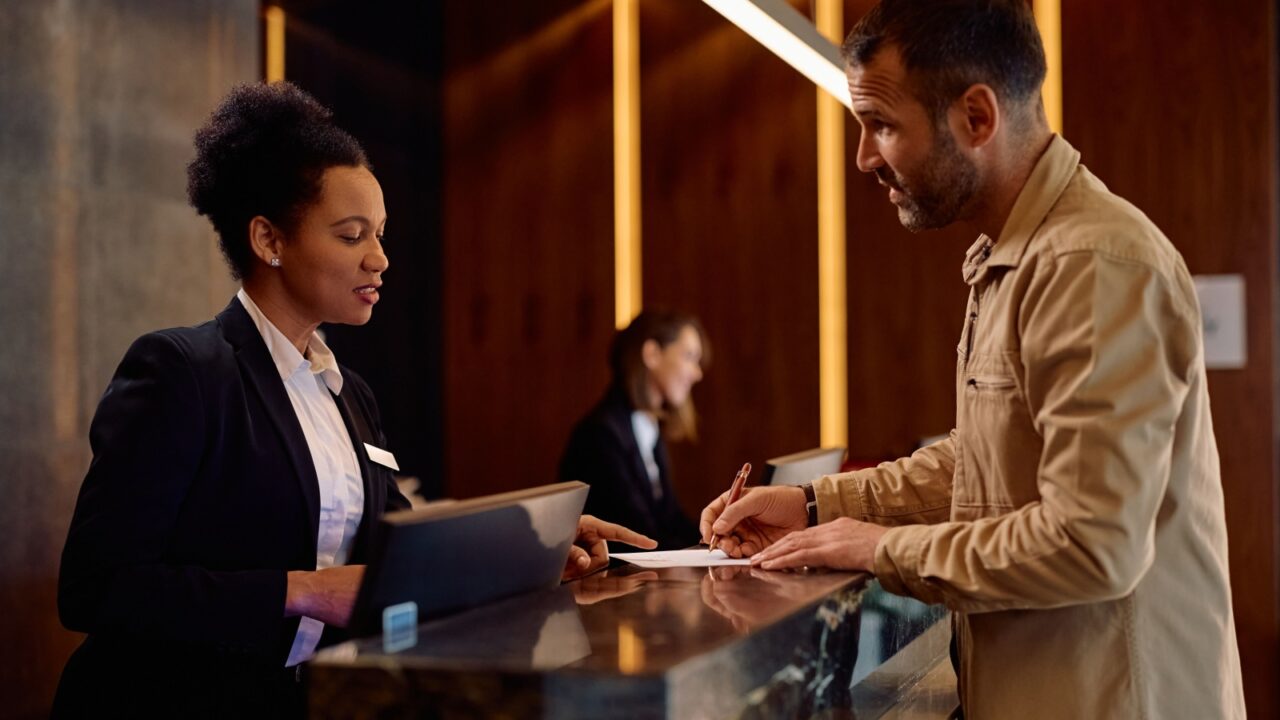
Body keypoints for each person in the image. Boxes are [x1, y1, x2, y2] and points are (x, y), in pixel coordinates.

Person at [700, 2, 1245, 718]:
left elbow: (1092, 545)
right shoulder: (1015, 255)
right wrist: (814, 505)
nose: (865, 156)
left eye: (882, 125)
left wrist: (880, 550)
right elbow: (987, 461)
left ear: (977, 118)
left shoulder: (1090, 264)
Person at [54, 82, 653, 719]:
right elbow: (95, 588)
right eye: (351, 236)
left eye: (381, 235)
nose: (380, 259)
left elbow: (400, 554)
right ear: (268, 240)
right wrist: (303, 592)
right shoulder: (181, 371)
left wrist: (532, 549)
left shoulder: (350, 394)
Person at [559, 310, 708, 549]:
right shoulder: (600, 435)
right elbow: (637, 533)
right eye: (689, 356)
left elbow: (670, 517)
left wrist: (717, 540)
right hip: (612, 580)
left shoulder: (649, 427)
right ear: (652, 354)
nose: (697, 373)